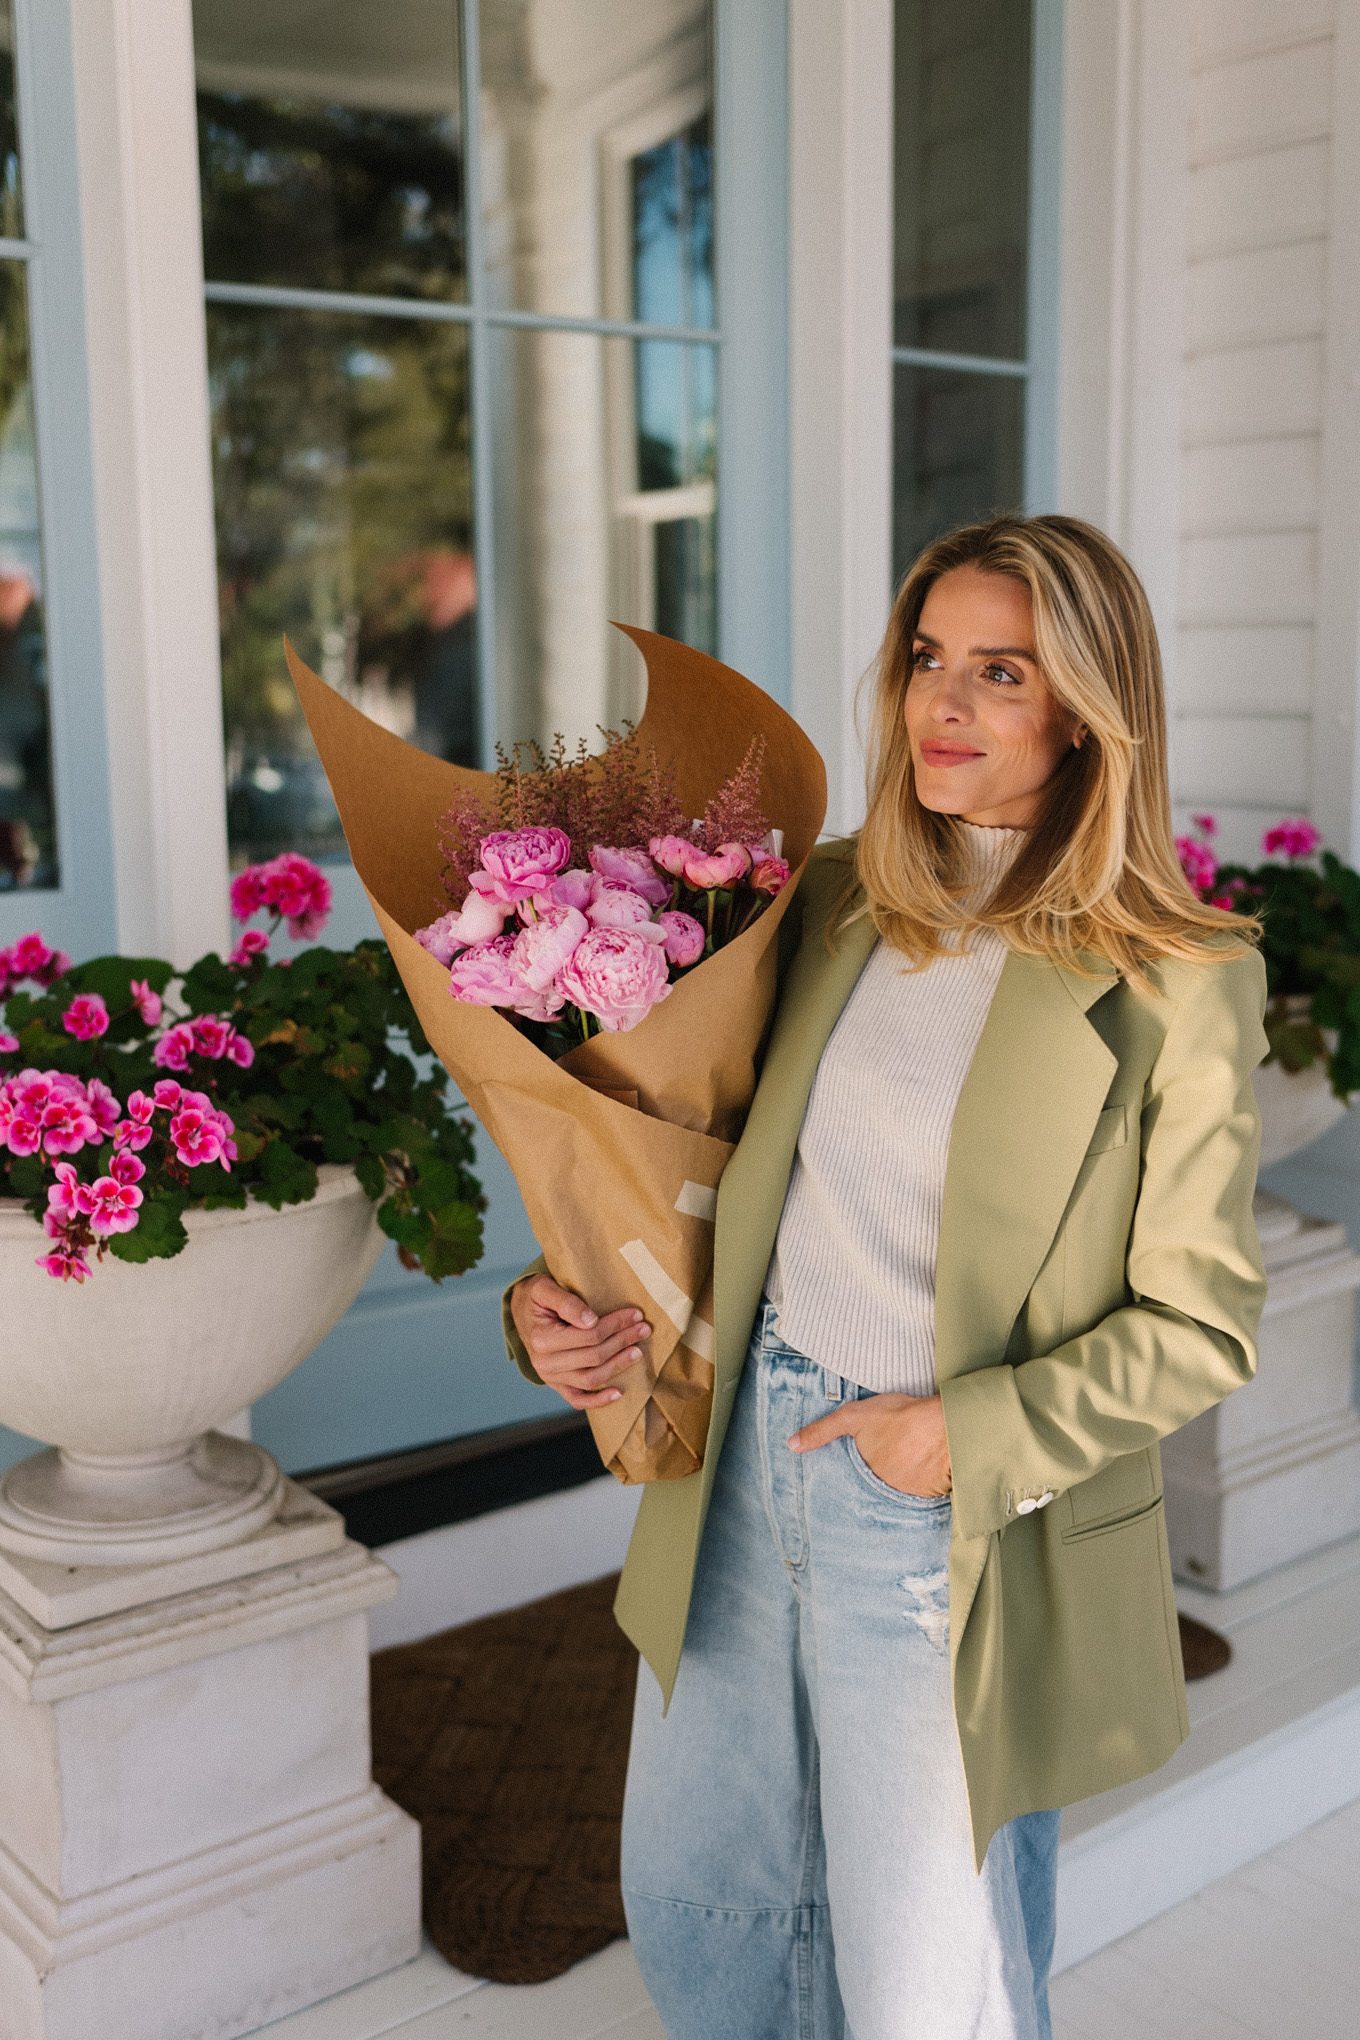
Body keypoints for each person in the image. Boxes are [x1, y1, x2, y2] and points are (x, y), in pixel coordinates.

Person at [502, 514, 1271, 2040]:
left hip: (937, 1508)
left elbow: (1200, 1325)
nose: (946, 704)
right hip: (736, 1462)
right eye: (930, 659)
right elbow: (694, 1170)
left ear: (1088, 711)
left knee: (934, 1980)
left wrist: (953, 1442)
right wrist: (558, 1308)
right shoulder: (834, 897)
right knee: (707, 1904)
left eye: (1002, 672)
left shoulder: (1178, 978)